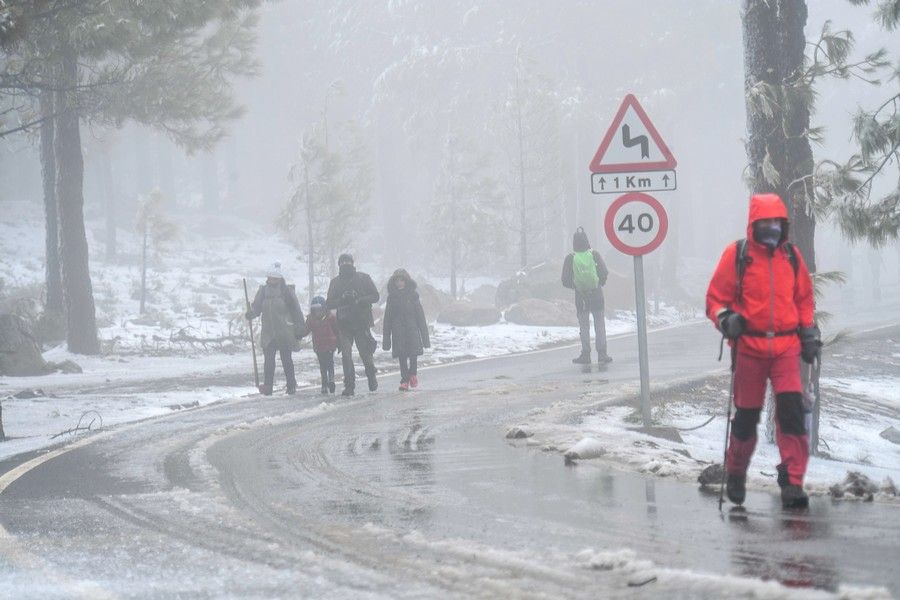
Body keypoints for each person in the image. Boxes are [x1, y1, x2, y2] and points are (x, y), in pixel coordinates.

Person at [706, 193, 821, 509]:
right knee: (745, 419)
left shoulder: (791, 257)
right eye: (765, 223)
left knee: (792, 414)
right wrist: (726, 318)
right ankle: (737, 471)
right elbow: (715, 300)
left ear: (784, 225)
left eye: (777, 222)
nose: (772, 228)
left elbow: (803, 300)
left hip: (786, 346)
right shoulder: (738, 255)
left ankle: (792, 482)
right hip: (749, 348)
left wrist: (808, 332)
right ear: (753, 224)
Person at [246, 262, 306, 395]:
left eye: (274, 278)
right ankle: (268, 387)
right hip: (269, 332)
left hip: (285, 331)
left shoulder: (287, 291)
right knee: (268, 361)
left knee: (286, 359)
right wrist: (251, 313)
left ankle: (291, 385)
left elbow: (296, 311)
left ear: (279, 278)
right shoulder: (263, 291)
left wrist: (300, 328)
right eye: (270, 278)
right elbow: (256, 308)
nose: (271, 280)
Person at [325, 253, 380, 396]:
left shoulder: (363, 278)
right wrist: (342, 299)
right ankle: (349, 385)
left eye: (348, 262)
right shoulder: (335, 282)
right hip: (344, 324)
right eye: (343, 262)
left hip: (361, 322)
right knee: (346, 357)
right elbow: (329, 302)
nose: (345, 264)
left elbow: (375, 296)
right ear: (339, 265)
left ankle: (371, 375)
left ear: (352, 263)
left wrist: (360, 299)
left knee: (365, 354)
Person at [561, 227, 612, 365]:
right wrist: (598, 284)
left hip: (581, 297)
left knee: (584, 326)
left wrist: (577, 287)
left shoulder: (570, 258)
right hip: (597, 295)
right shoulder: (594, 255)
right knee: (599, 325)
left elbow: (565, 280)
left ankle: (586, 354)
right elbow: (604, 272)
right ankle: (602, 354)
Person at [382, 269, 430, 391]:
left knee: (413, 354)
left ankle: (413, 374)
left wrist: (425, 339)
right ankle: (404, 380)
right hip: (398, 332)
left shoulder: (413, 296)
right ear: (394, 282)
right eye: (397, 280)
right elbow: (387, 319)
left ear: (406, 281)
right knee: (402, 356)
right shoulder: (391, 298)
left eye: (402, 280)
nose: (399, 283)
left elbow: (420, 317)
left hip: (412, 329)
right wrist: (386, 340)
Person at [306, 295, 337, 395]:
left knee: (329, 362)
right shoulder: (311, 320)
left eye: (319, 310)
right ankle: (325, 383)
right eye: (315, 310)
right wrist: (297, 334)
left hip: (329, 344)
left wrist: (338, 341)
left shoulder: (330, 318)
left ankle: (330, 380)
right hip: (319, 346)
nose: (317, 312)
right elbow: (306, 330)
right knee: (323, 365)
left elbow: (336, 330)